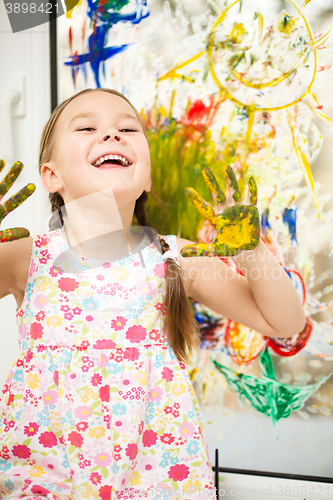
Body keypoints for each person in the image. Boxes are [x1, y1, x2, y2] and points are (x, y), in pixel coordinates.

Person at [0, 88, 306, 500]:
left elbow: (285, 322)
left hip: (158, 481)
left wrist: (252, 249)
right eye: (88, 127)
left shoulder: (174, 257)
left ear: (144, 177)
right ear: (52, 175)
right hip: (46, 479)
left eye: (127, 128)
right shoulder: (26, 257)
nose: (112, 135)